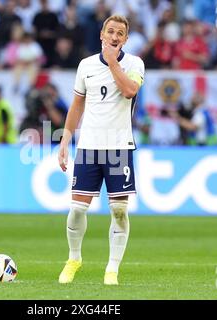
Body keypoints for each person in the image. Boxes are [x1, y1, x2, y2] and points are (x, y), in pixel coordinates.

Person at [57, 15, 145, 285]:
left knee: (119, 211)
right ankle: (74, 258)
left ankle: (112, 269)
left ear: (126, 39)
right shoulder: (85, 66)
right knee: (77, 210)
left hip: (119, 148)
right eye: (111, 31)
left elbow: (130, 91)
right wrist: (65, 139)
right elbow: (77, 105)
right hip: (89, 147)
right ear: (101, 35)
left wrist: (112, 63)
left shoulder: (134, 63)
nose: (115, 36)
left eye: (120, 33)